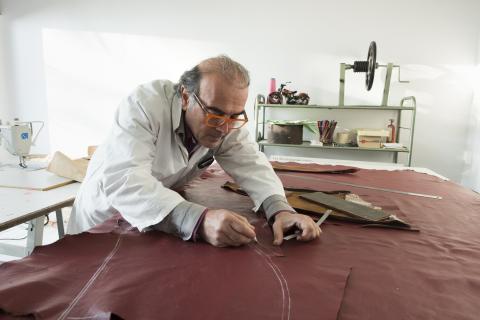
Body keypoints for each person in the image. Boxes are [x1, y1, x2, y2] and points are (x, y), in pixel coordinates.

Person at [67, 55, 321, 247]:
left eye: (234, 116)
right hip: (105, 221)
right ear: (186, 97)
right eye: (215, 114)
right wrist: (199, 220)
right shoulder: (145, 104)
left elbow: (252, 164)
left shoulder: (227, 121)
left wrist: (280, 210)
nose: (224, 126)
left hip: (159, 218)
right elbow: (125, 180)